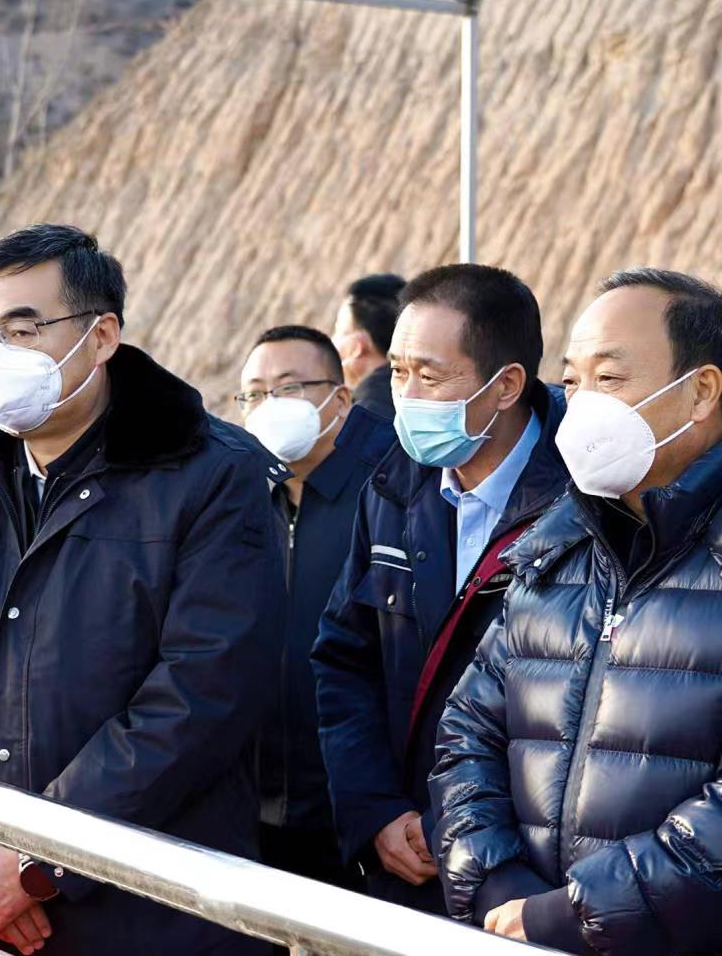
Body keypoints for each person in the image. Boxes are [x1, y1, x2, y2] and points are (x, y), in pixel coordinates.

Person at [0, 224, 282, 956]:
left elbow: (202, 693)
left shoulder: (212, 473)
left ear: (102, 336)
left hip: (152, 916)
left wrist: (36, 861)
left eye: (22, 329)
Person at [430, 269, 722, 954]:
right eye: (572, 381)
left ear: (702, 391)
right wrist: (496, 884)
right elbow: (467, 732)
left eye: (609, 378)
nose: (582, 403)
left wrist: (576, 914)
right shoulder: (551, 549)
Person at [312, 264, 569, 914]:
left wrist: (464, 831)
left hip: (528, 879)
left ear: (506, 384)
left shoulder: (584, 503)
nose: (405, 395)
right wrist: (375, 809)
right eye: (397, 371)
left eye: (429, 376)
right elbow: (345, 656)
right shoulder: (392, 486)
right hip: (403, 860)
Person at [237, 324, 391, 891]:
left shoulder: (385, 498)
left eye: (289, 387)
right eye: (255, 394)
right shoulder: (239, 501)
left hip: (356, 812)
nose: (270, 405)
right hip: (249, 811)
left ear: (340, 399)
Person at [331, 273, 405, 419]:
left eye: (339, 332)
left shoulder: (366, 412)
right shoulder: (422, 391)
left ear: (357, 345)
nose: (333, 341)